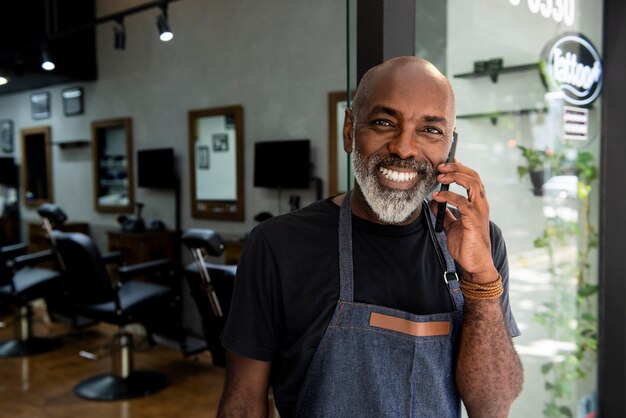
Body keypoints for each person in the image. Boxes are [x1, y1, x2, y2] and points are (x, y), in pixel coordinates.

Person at [218, 56, 523, 418]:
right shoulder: (277, 245)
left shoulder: (482, 245)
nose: (404, 148)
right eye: (383, 122)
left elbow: (492, 407)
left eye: (430, 130)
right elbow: (243, 403)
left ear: (449, 147)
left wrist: (480, 279)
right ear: (350, 130)